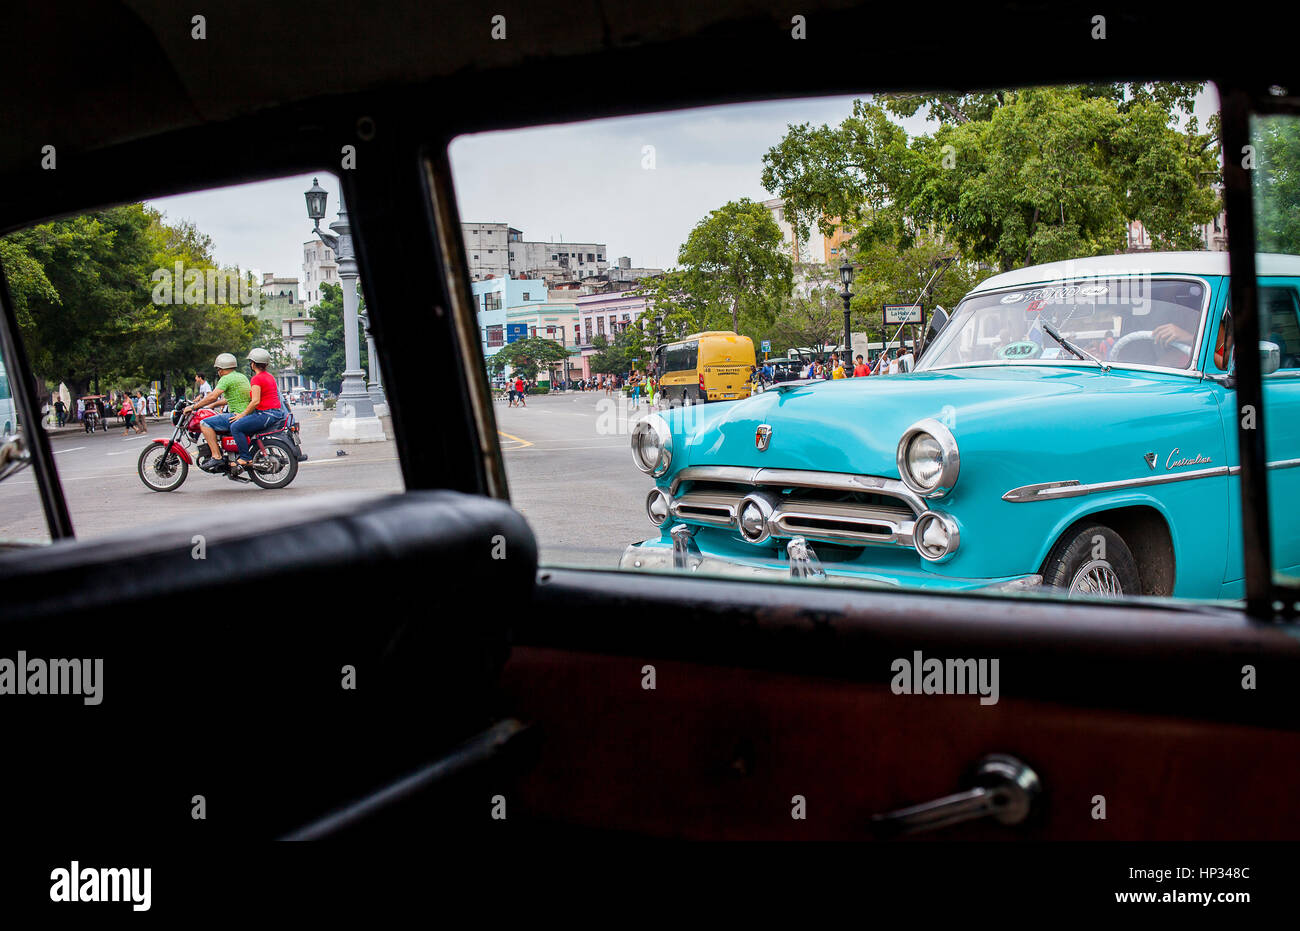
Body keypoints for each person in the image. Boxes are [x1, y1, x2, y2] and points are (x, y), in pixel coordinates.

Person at [185, 352, 252, 473]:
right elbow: (230, 398)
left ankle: (216, 456)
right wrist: (213, 405)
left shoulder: (225, 379)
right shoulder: (241, 377)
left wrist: (194, 407)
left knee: (205, 423)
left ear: (221, 369)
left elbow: (213, 396)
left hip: (236, 415)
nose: (218, 372)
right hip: (246, 414)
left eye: (218, 369)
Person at [230, 348, 286, 470]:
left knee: (235, 427)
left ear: (253, 364)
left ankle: (245, 457)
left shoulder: (257, 378)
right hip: (274, 413)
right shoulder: (269, 376)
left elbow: (255, 401)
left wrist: (242, 415)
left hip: (265, 414)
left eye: (251, 362)